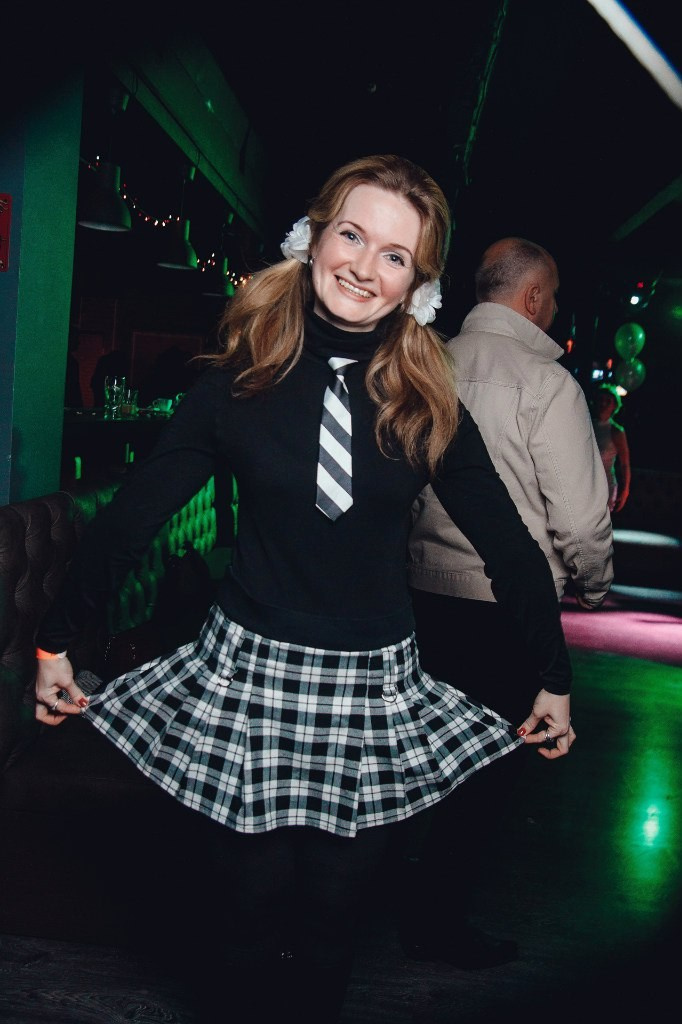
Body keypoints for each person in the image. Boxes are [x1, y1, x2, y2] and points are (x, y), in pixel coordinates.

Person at [34, 159, 576, 1024]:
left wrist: (553, 674)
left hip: (370, 685)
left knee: (331, 921)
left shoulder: (428, 402)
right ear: (313, 239)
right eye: (351, 235)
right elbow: (133, 517)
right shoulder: (235, 384)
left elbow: (510, 547)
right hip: (247, 674)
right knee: (244, 919)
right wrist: (56, 639)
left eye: (395, 255)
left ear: (418, 286)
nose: (364, 266)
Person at [404, 236, 613, 968]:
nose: (553, 311)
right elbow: (579, 520)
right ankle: (438, 924)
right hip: (507, 608)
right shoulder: (547, 384)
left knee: (420, 761)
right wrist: (593, 584)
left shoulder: (425, 364)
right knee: (486, 774)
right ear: (532, 297)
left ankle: (395, 907)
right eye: (551, 298)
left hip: (419, 596)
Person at [591, 381, 631, 512]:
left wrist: (625, 490)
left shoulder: (616, 431)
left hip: (605, 486)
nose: (603, 404)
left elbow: (625, 464)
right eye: (601, 400)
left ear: (614, 406)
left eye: (608, 401)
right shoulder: (586, 424)